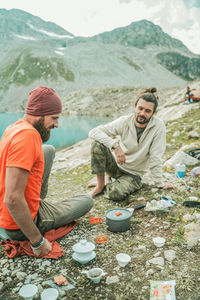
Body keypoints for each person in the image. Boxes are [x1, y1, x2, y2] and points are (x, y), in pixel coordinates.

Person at [0, 86, 93, 256]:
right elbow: (12, 199)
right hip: (17, 225)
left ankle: (36, 202)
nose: (57, 124)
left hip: (8, 212)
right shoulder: (27, 137)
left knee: (48, 150)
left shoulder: (14, 128)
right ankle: (35, 215)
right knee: (86, 201)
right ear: (39, 113)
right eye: (54, 118)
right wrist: (37, 241)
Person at [88, 87, 172, 201]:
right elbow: (94, 132)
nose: (142, 113)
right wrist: (115, 146)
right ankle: (100, 185)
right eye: (140, 108)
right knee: (97, 145)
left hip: (133, 174)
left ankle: (110, 183)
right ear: (135, 106)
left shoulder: (158, 127)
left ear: (154, 113)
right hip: (116, 165)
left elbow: (155, 157)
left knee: (115, 194)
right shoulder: (125, 121)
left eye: (147, 111)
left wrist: (160, 183)